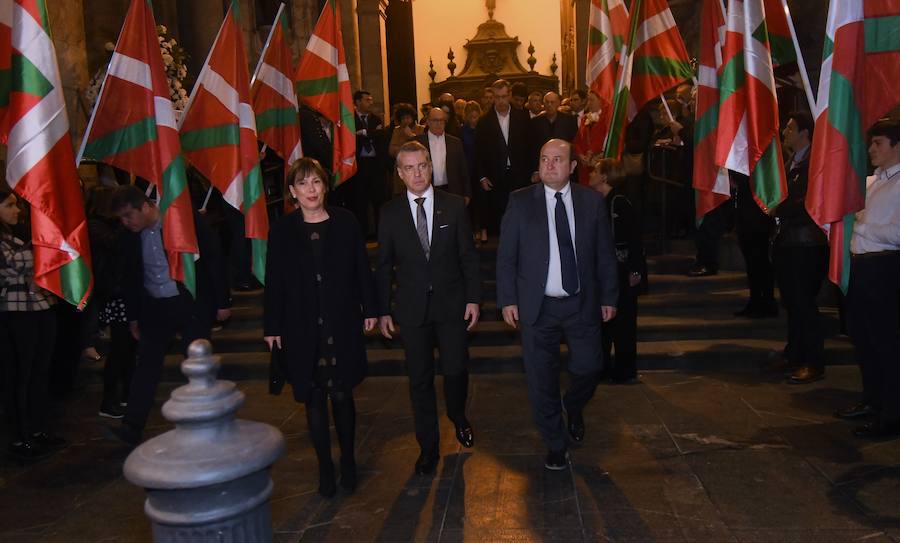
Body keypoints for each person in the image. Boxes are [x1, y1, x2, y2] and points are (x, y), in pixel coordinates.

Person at [496, 139, 618, 470]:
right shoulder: (520, 202)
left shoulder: (591, 202)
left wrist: (609, 296)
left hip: (582, 304)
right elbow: (507, 256)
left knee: (590, 367)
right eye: (545, 158)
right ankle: (555, 442)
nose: (550, 165)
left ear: (573, 167)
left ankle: (574, 406)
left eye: (558, 159)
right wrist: (507, 299)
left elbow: (605, 254)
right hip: (537, 308)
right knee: (540, 380)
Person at [264, 157, 378, 497]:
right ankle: (324, 467)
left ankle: (348, 462)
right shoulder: (282, 230)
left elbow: (362, 267)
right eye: (303, 184)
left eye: (316, 182)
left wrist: (370, 307)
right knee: (313, 399)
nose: (311, 190)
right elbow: (275, 282)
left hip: (341, 321)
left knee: (342, 395)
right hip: (299, 326)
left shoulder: (346, 222)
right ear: (292, 192)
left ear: (325, 186)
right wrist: (272, 325)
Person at [376, 141, 481, 476]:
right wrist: (382, 309)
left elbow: (468, 256)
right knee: (419, 381)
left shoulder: (453, 206)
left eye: (421, 165)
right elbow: (383, 265)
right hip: (411, 310)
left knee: (455, 371)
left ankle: (457, 414)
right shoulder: (389, 213)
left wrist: (474, 298)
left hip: (451, 306)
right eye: (408, 168)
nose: (416, 173)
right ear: (399, 173)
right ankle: (428, 448)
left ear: (430, 166)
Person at [107, 185, 231, 446]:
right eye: (121, 218)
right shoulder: (128, 235)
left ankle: (213, 423)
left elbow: (213, 256)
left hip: (189, 301)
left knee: (198, 365)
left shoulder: (180, 219)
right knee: (146, 366)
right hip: (154, 306)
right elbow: (130, 276)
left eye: (129, 215)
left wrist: (222, 301)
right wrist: (133, 317)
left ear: (146, 206)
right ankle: (131, 427)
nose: (125, 222)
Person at [837, 119, 900, 440]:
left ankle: (892, 414)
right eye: (871, 144)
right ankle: (872, 401)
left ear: (897, 146)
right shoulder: (872, 182)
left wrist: (860, 228)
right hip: (862, 267)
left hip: (886, 269)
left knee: (887, 343)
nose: (872, 150)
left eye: (879, 143)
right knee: (863, 339)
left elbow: (896, 233)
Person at [0, 185, 67, 460]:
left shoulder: (17, 236)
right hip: (14, 312)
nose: (17, 210)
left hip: (40, 307)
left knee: (40, 372)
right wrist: (42, 242)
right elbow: (16, 264)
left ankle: (39, 429)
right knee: (20, 374)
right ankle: (20, 435)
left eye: (17, 204)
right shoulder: (11, 242)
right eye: (10, 205)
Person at [772, 112, 828, 384]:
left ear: (806, 132)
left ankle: (813, 361)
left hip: (806, 243)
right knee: (792, 302)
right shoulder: (791, 160)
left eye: (791, 128)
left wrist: (778, 206)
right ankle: (794, 352)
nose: (785, 132)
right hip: (787, 241)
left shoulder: (815, 162)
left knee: (804, 303)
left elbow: (809, 202)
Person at [590, 158, 646, 383]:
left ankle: (624, 370)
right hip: (603, 273)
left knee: (623, 324)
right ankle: (602, 368)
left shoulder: (620, 202)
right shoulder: (597, 202)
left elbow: (634, 239)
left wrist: (635, 271)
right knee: (602, 324)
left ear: (605, 177)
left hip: (621, 272)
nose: (591, 174)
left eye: (595, 171)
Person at [84, 186, 136, 419]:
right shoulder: (95, 226)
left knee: (128, 348)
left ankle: (127, 394)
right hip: (114, 294)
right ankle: (109, 400)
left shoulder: (109, 226)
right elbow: (115, 245)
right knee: (120, 349)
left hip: (123, 292)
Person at [475, 79, 531, 230]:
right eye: (497, 97)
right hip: (495, 177)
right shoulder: (484, 122)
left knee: (522, 215)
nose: (501, 101)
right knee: (500, 218)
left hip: (520, 175)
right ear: (492, 97)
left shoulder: (523, 118)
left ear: (510, 95)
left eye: (504, 96)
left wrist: (534, 170)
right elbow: (478, 152)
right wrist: (482, 176)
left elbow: (530, 147)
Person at [416, 107, 471, 201]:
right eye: (435, 120)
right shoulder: (417, 143)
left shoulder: (455, 142)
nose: (439, 123)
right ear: (428, 122)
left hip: (451, 191)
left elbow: (463, 169)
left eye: (442, 120)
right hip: (426, 191)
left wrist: (467, 194)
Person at [461, 101, 490, 245]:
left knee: (483, 201)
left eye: (476, 115)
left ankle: (484, 229)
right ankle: (474, 231)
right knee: (470, 203)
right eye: (471, 116)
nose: (474, 119)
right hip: (467, 170)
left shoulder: (484, 129)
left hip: (481, 170)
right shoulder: (462, 131)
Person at [530, 92, 579, 175]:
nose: (549, 105)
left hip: (562, 163)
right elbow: (531, 147)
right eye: (547, 102)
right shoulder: (535, 122)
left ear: (558, 103)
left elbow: (574, 143)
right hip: (543, 164)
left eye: (552, 102)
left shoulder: (569, 120)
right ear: (543, 104)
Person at [574, 90, 608, 186]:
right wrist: (581, 155)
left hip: (599, 164)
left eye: (591, 100)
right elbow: (578, 140)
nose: (588, 103)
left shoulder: (608, 119)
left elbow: (607, 140)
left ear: (601, 100)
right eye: (588, 100)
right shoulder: (585, 118)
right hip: (584, 165)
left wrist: (595, 155)